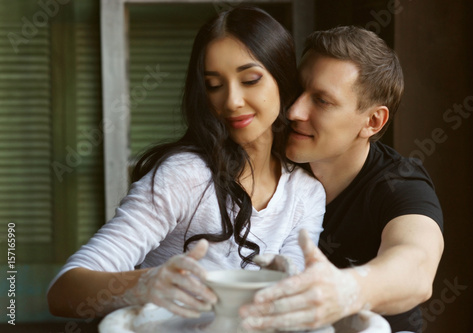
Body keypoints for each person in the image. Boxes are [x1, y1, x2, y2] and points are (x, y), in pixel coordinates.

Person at [46, 6, 325, 320]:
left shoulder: (305, 194)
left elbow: (291, 298)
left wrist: (290, 284)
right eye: (214, 85)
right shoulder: (185, 175)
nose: (231, 101)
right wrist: (144, 284)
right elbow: (63, 290)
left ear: (283, 81)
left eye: (250, 80)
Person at [240, 26, 444, 333]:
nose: (294, 111)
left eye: (322, 101)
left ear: (373, 121)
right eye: (298, 90)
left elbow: (416, 265)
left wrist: (344, 289)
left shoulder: (400, 183)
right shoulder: (260, 159)